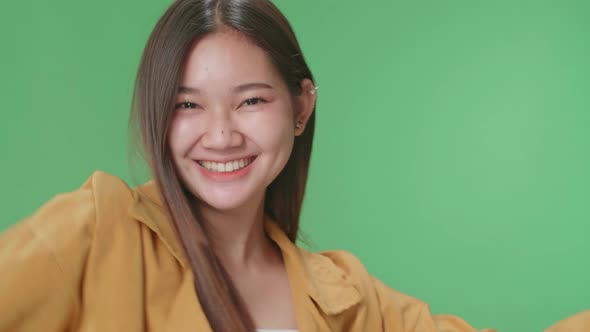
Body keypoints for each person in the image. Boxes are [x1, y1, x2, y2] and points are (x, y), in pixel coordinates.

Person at [0, 0, 586, 331]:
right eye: (187, 105)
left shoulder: (344, 295)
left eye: (251, 100)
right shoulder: (97, 232)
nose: (222, 135)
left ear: (301, 107)